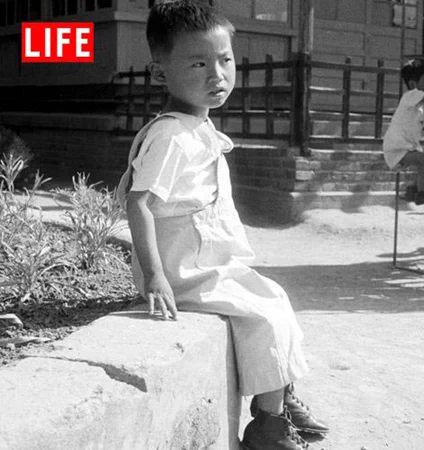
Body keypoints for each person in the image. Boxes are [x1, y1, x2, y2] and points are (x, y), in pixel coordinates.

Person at [119, 2, 327, 449]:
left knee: (275, 297)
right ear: (160, 74)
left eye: (225, 60)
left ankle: (282, 396)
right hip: (183, 272)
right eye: (198, 63)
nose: (217, 75)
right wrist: (155, 276)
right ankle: (266, 426)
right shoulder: (171, 136)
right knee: (264, 316)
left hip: (209, 264)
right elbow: (140, 203)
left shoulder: (198, 127)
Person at [383, 59, 424, 205]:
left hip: (408, 146)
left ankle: (413, 189)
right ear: (413, 84)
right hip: (396, 147)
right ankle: (422, 193)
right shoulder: (410, 96)